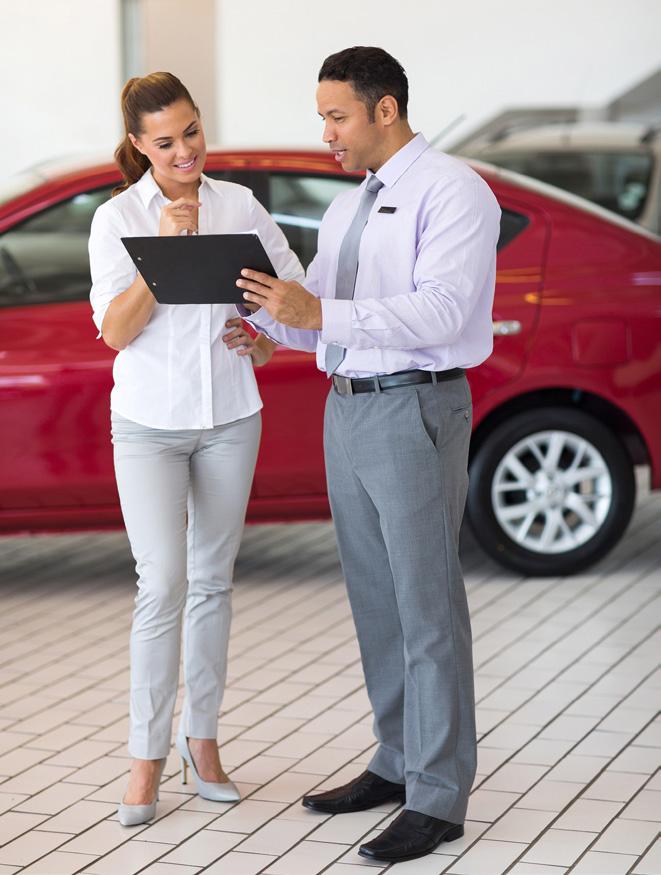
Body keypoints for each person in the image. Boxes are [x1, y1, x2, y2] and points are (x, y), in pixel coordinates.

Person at [236, 47, 501, 863]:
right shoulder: (354, 206)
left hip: (415, 406)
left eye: (337, 115)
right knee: (376, 602)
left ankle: (439, 794)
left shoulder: (453, 190)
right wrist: (263, 322)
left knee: (425, 607)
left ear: (385, 109)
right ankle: (394, 760)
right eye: (322, 116)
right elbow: (319, 310)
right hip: (347, 410)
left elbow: (442, 309)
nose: (326, 133)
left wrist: (319, 310)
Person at [88, 72, 304, 827]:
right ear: (140, 146)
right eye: (166, 140)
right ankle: (144, 757)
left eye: (191, 131)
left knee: (213, 580)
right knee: (163, 583)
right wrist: (161, 249)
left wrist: (264, 333)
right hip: (148, 424)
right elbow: (115, 330)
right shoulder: (116, 218)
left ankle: (202, 741)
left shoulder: (239, 205)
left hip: (229, 418)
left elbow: (290, 289)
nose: (184, 150)